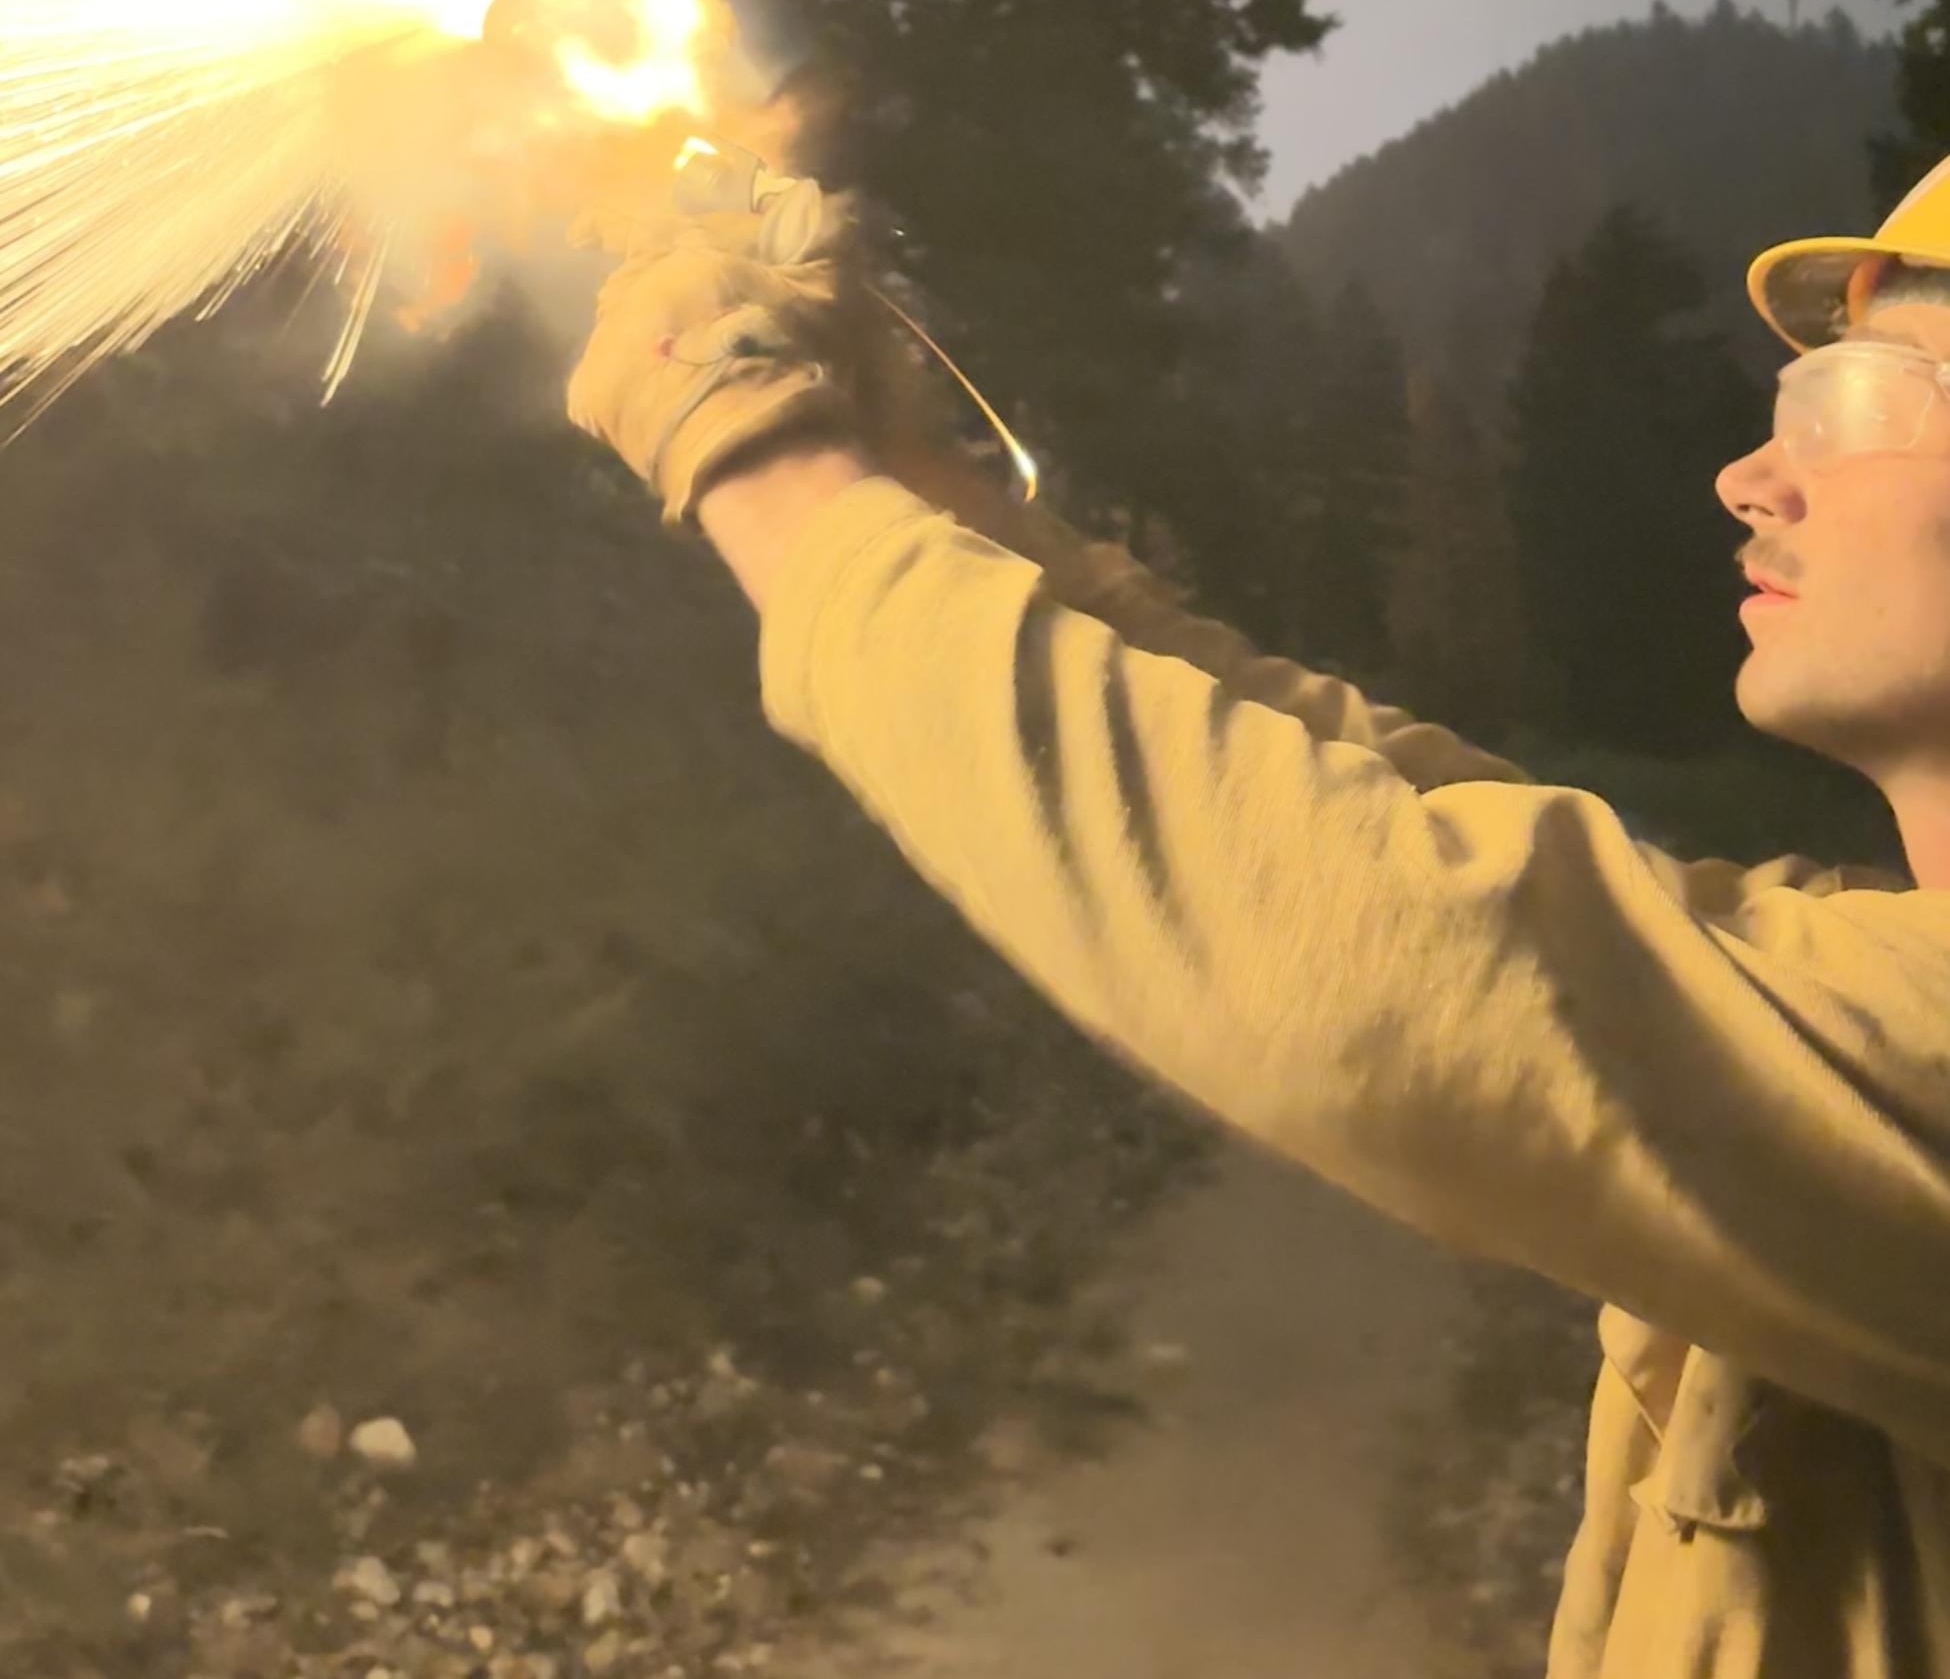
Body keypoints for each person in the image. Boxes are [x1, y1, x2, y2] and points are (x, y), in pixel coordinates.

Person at [565, 157, 1950, 1679]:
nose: (1750, 476)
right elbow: (1382, 806)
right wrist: (914, 483)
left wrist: (760, 450)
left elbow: (1408, 961)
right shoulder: (1869, 977)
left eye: (1851, 400)